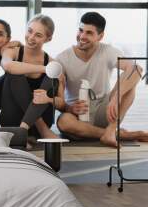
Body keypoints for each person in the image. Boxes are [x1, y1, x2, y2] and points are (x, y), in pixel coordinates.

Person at [56, 11, 148, 147]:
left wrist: (117, 96)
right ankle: (120, 134)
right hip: (78, 115)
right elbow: (58, 102)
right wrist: (69, 108)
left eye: (89, 33)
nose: (82, 36)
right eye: (81, 30)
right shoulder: (63, 58)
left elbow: (137, 69)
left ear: (100, 36)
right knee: (64, 122)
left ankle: (111, 130)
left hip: (105, 111)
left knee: (130, 85)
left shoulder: (107, 51)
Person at [0, 14, 65, 140]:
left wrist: (48, 99)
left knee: (53, 76)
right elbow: (7, 65)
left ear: (48, 38)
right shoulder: (12, 52)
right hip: (12, 121)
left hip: (40, 121)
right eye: (30, 31)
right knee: (15, 73)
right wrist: (45, 69)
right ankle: (37, 131)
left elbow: (62, 104)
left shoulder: (52, 62)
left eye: (38, 35)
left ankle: (23, 132)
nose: (31, 37)